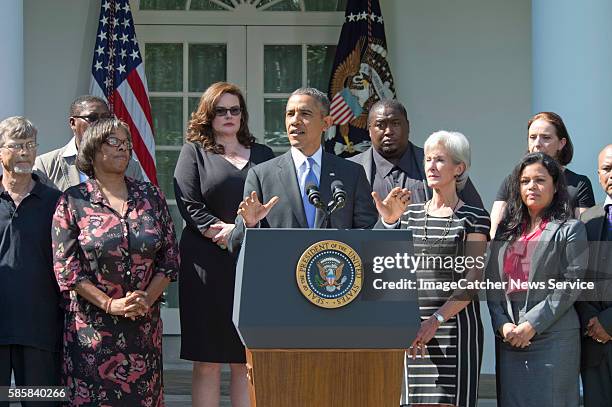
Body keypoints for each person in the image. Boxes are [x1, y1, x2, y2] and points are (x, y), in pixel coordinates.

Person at [51, 118, 179, 406]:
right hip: (92, 333)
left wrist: (146, 298)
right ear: (92, 150)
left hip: (143, 330)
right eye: (113, 142)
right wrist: (110, 304)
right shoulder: (73, 201)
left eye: (126, 143)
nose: (123, 147)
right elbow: (67, 269)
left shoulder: (151, 196)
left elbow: (170, 258)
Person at [174, 82, 274, 407]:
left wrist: (245, 231)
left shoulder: (263, 155)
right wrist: (231, 232)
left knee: (245, 358)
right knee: (208, 358)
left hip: (253, 265)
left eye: (235, 110)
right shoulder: (195, 153)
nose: (229, 116)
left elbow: (275, 202)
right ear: (208, 115)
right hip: (206, 265)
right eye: (221, 110)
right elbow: (189, 205)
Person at [374, 130, 490, 407]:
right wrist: (389, 222)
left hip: (454, 330)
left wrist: (436, 320)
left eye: (440, 160)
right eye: (427, 159)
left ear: (458, 168)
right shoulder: (409, 214)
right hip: (411, 330)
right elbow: (387, 269)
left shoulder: (474, 217)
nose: (431, 166)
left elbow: (473, 280)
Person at [486, 152, 588, 407]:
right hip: (511, 338)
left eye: (540, 180)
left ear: (555, 186)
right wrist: (502, 325)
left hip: (553, 336)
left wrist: (532, 324)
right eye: (525, 181)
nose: (532, 186)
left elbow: (571, 282)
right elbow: (492, 282)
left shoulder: (571, 229)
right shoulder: (506, 229)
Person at [228, 87, 377, 252]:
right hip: (279, 274)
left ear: (326, 123)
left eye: (305, 114)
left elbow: (369, 234)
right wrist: (250, 224)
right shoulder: (261, 175)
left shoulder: (352, 173)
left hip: (334, 274)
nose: (294, 121)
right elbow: (235, 244)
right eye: (290, 114)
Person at [0, 117, 62, 407]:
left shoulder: (56, 202)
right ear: (1, 151)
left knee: (42, 403)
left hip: (41, 327)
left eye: (30, 145)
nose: (24, 152)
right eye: (16, 145)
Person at [349, 99, 484, 208]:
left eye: (395, 123)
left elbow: (477, 217)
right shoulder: (351, 169)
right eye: (380, 125)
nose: (388, 131)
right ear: (369, 130)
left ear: (408, 126)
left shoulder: (439, 164)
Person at [490, 111, 595, 237]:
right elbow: (494, 230)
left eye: (546, 138)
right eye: (532, 137)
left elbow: (585, 235)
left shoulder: (579, 184)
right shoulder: (512, 180)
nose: (537, 144)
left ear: (561, 143)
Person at [34, 95, 142, 191]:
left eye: (106, 118)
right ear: (73, 123)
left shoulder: (130, 166)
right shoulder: (45, 165)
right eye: (92, 118)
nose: (100, 123)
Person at [575, 144, 612, 407]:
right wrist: (590, 319)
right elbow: (576, 277)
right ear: (598, 175)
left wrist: (608, 322)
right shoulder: (587, 219)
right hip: (594, 345)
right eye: (607, 169)